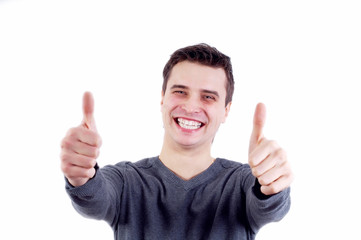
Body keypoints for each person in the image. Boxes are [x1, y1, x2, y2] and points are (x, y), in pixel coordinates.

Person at [60, 43, 293, 240]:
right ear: (162, 99)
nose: (191, 107)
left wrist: (272, 185)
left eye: (208, 97)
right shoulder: (126, 181)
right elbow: (94, 198)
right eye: (180, 92)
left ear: (226, 111)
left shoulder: (242, 182)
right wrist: (81, 177)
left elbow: (270, 208)